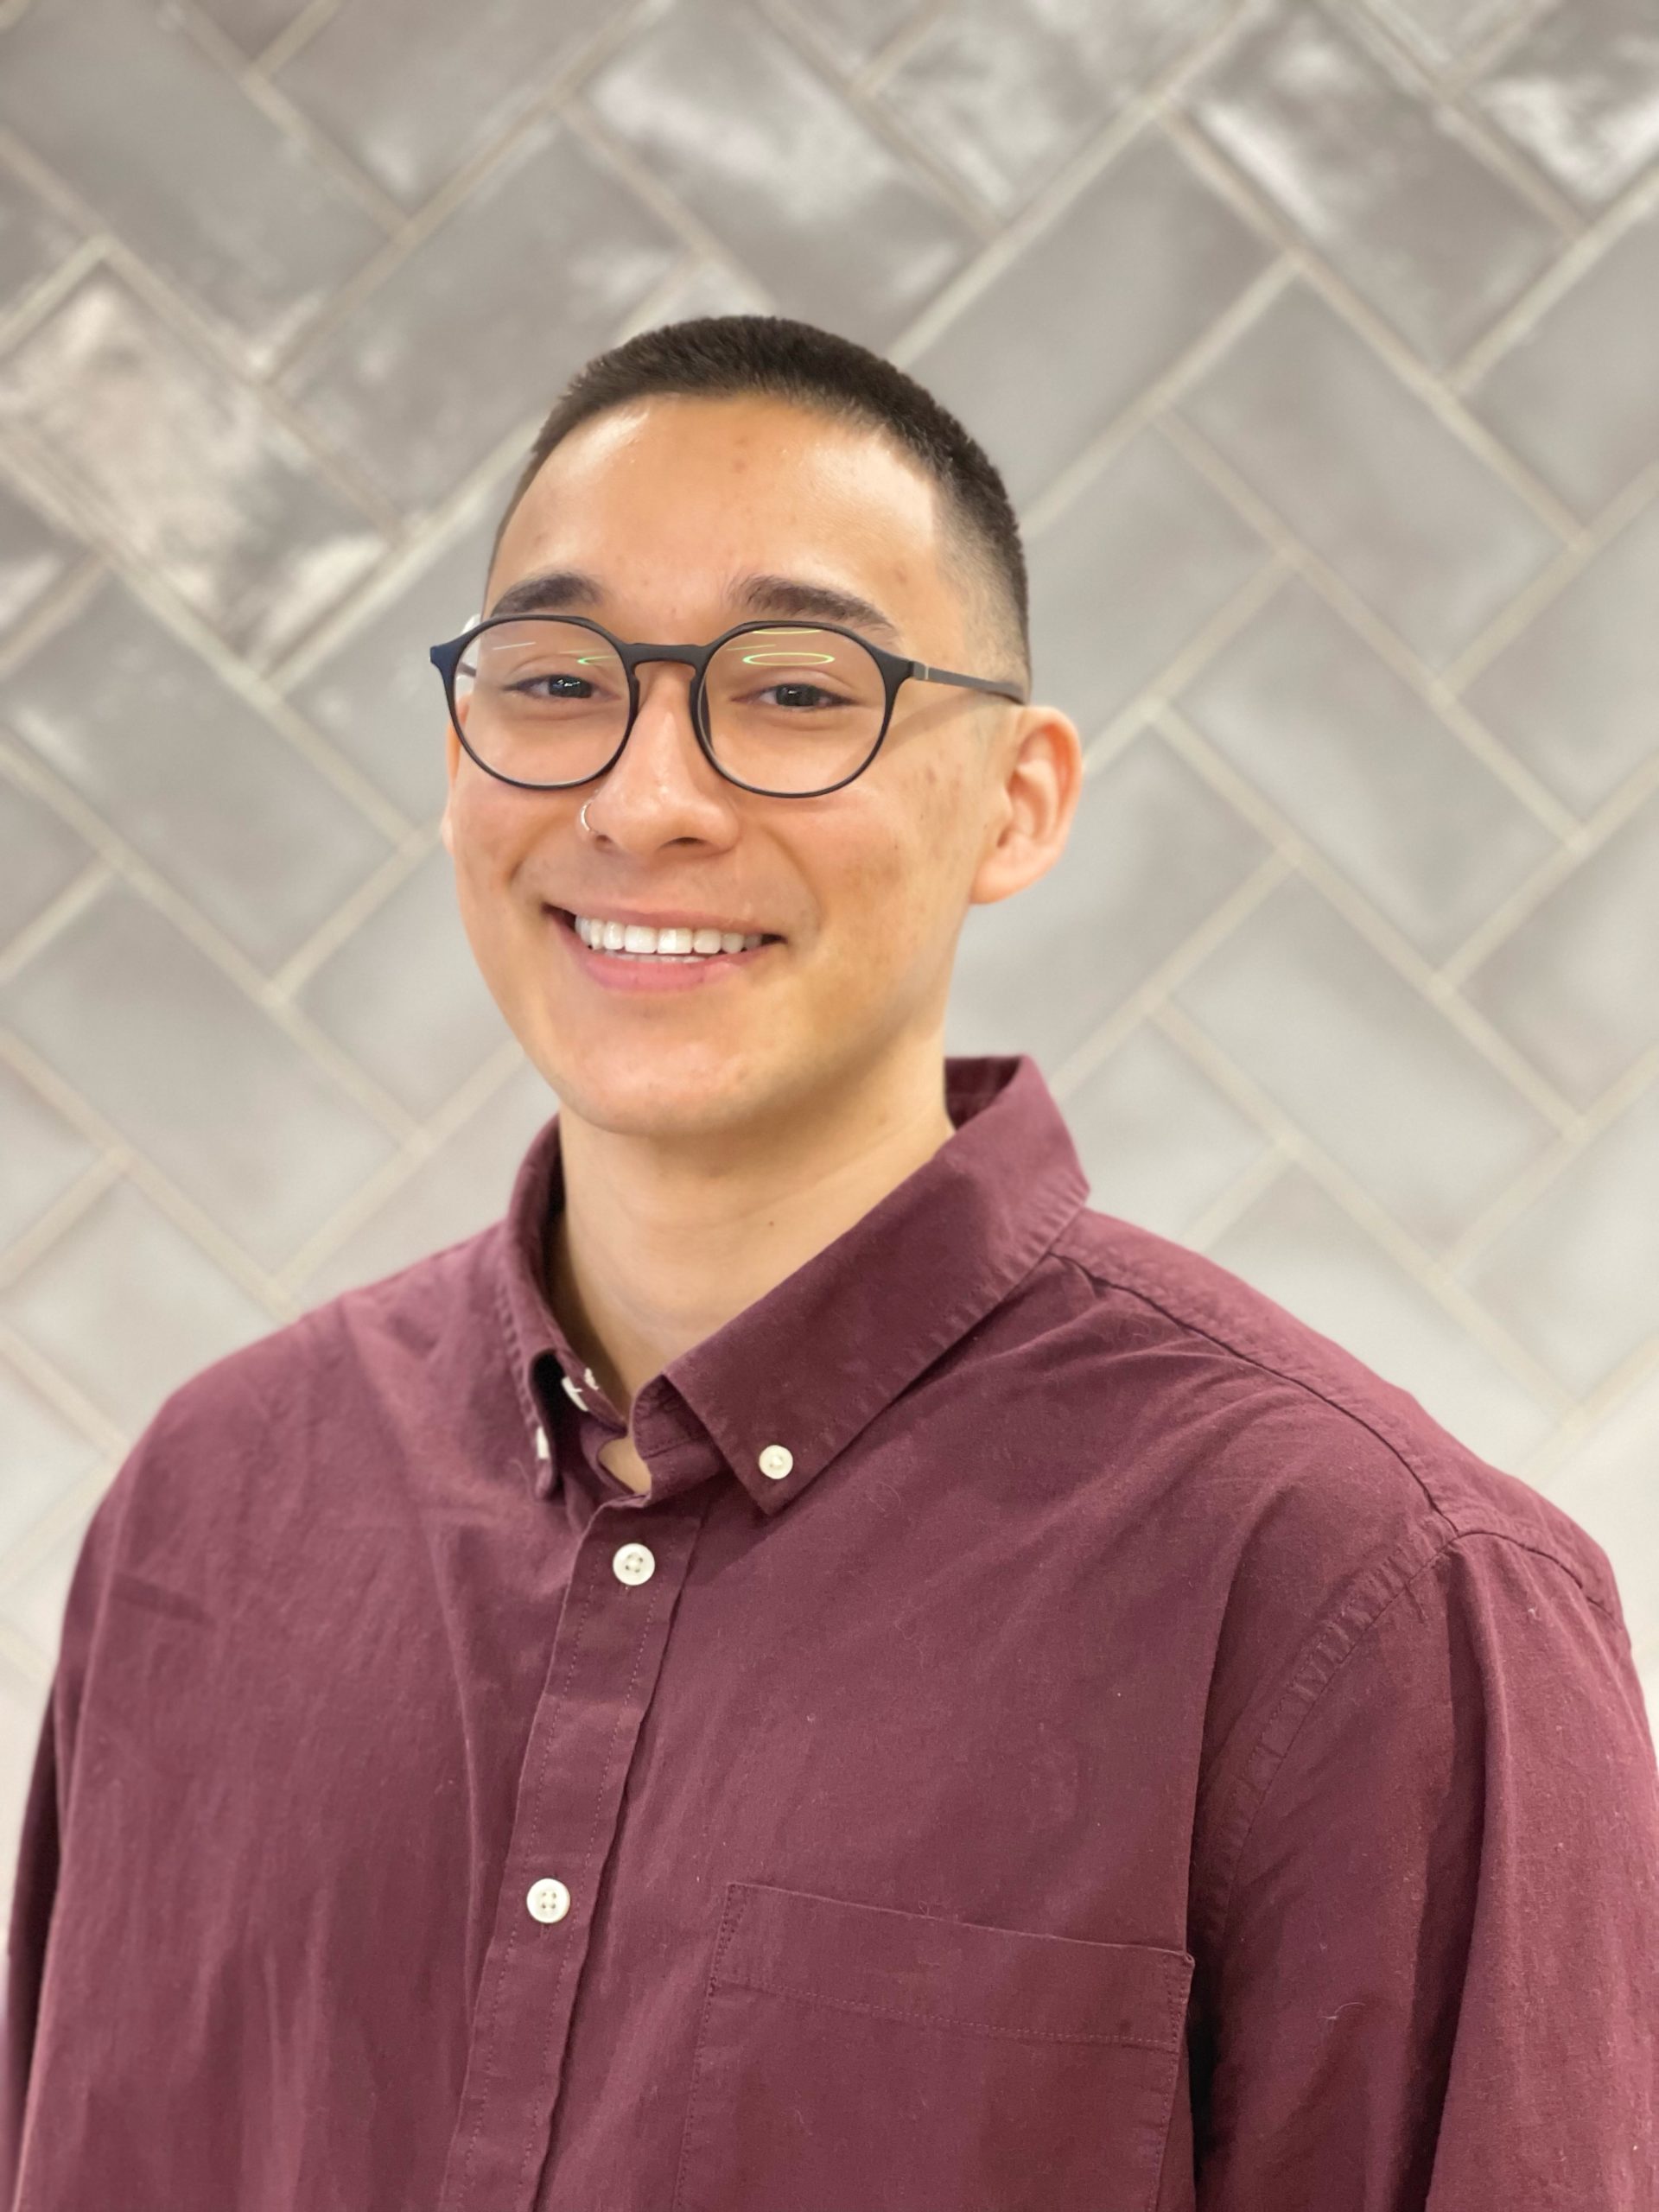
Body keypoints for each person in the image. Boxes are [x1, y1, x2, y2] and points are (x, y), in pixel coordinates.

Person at [3, 314, 1655, 2212]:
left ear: (1019, 799)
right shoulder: (207, 1517)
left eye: (795, 694)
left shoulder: (1369, 1593)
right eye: (557, 679)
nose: (645, 799)